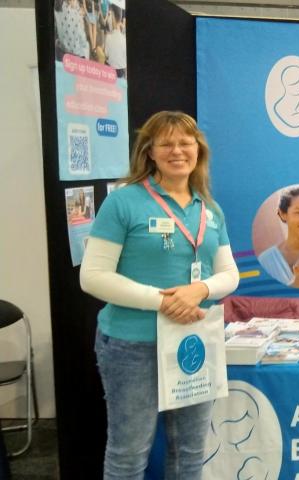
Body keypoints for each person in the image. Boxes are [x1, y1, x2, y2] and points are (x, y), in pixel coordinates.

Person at [79, 111, 240, 479]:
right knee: (129, 453)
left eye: (186, 142)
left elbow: (229, 274)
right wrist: (163, 301)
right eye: (166, 143)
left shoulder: (209, 208)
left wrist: (200, 289)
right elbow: (93, 277)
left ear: (198, 150)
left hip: (193, 343)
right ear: (149, 151)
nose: (177, 150)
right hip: (132, 345)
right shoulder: (123, 202)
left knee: (190, 452)